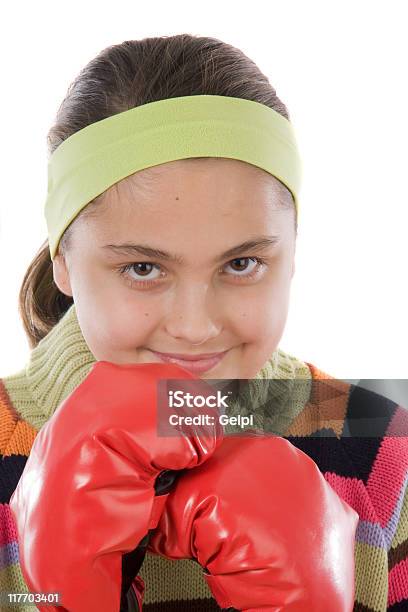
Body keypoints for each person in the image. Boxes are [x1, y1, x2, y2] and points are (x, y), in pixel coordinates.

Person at [0, 33, 407, 612]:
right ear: (63, 260)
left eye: (242, 263)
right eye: (143, 268)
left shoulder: (383, 451)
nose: (194, 327)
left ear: (292, 254)